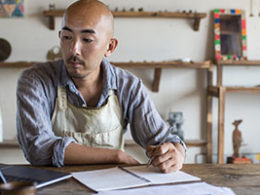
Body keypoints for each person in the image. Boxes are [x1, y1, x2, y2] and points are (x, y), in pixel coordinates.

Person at [16, 0, 186, 173]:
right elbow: (38, 148)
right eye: (67, 37)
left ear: (110, 46)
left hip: (112, 186)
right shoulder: (36, 81)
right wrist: (115, 156)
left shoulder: (128, 86)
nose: (74, 49)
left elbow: (164, 139)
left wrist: (176, 153)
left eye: (87, 39)